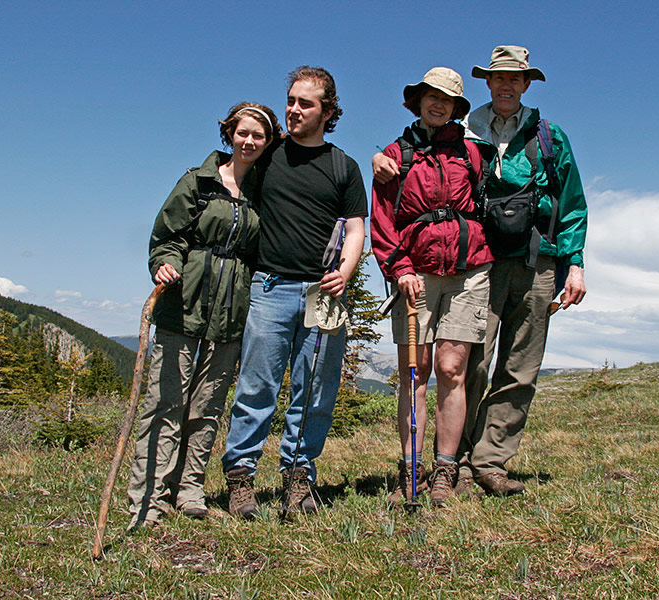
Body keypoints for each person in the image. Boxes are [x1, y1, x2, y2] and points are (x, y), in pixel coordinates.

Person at [373, 45, 587, 496]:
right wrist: (380, 162)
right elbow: (388, 210)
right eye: (499, 77)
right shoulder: (459, 137)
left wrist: (575, 263)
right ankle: (446, 463)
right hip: (462, 264)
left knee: (513, 366)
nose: (507, 84)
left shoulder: (540, 137)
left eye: (516, 78)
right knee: (465, 365)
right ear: (487, 83)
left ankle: (486, 463)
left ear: (527, 83)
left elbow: (571, 203)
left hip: (524, 259)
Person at [222, 66, 367, 519]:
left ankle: (299, 478)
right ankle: (241, 478)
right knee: (257, 385)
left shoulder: (343, 166)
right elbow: (229, 177)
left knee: (316, 390)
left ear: (328, 111)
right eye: (290, 100)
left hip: (324, 295)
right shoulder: (269, 155)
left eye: (305, 103)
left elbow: (359, 226)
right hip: (269, 286)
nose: (293, 109)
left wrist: (345, 270)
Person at [127, 102, 279, 530]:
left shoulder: (264, 192)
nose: (249, 141)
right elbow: (167, 235)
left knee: (208, 406)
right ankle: (149, 497)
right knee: (165, 403)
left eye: (259, 136)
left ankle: (189, 489)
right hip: (183, 303)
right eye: (242, 133)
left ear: (268, 143)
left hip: (232, 312)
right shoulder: (198, 181)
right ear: (230, 133)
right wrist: (164, 262)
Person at [371, 67, 491, 508]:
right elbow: (381, 220)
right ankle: (411, 468)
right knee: (414, 372)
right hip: (415, 275)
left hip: (469, 272)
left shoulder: (474, 154)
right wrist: (398, 267)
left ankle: (445, 470)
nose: (438, 104)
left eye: (447, 100)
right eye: (431, 96)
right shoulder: (395, 155)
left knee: (452, 369)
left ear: (457, 107)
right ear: (418, 100)